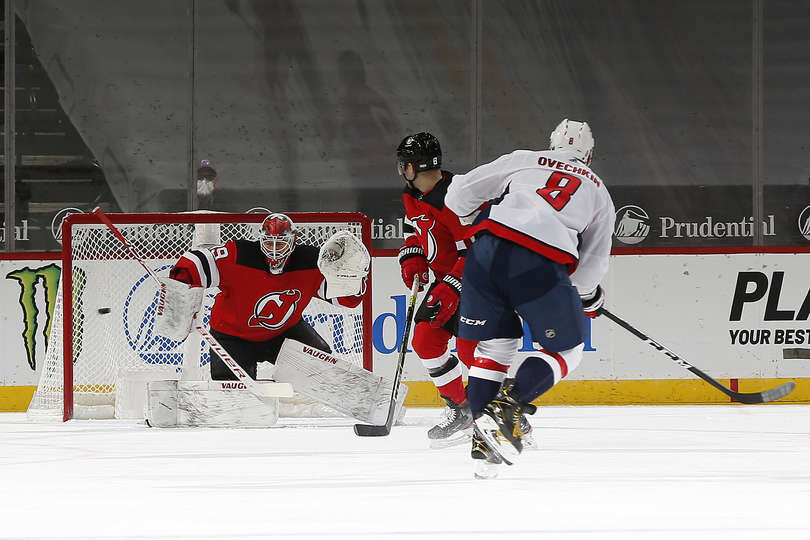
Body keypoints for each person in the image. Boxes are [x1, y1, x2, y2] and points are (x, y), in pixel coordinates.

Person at [445, 119, 615, 478]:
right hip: (537, 262)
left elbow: (457, 194)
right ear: (589, 154)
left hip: (485, 253)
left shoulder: (525, 159)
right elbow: (592, 265)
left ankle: (483, 443)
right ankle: (510, 407)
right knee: (567, 350)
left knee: (494, 347)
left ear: (551, 143)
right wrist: (588, 297)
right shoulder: (599, 191)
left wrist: (470, 215)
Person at [166, 212, 368, 380]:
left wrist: (353, 282)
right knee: (230, 395)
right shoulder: (239, 255)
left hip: (283, 333)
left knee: (321, 367)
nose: (273, 250)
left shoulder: (311, 262)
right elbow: (195, 262)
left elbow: (347, 300)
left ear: (293, 240)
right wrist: (179, 286)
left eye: (279, 244)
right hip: (232, 337)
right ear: (260, 238)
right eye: (268, 242)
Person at [396, 132, 478, 447]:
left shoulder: (456, 199)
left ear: (413, 166)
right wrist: (413, 255)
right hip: (445, 282)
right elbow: (412, 229)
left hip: (476, 284)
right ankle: (461, 409)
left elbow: (476, 252)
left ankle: (506, 413)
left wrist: (452, 287)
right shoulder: (412, 194)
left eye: (404, 165)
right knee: (426, 340)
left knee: (474, 352)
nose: (402, 171)